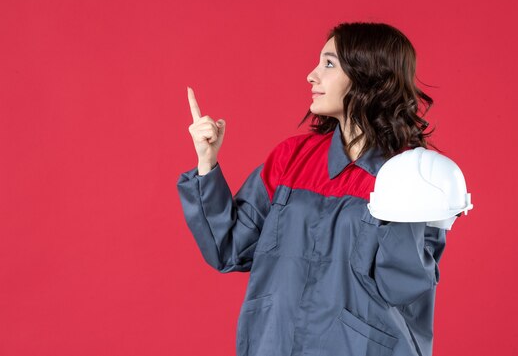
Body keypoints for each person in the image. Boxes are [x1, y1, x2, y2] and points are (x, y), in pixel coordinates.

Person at [176, 22, 447, 356]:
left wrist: (398, 206)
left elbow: (403, 287)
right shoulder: (291, 158)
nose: (311, 75)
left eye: (329, 64)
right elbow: (229, 249)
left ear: (368, 77)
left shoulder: (413, 175)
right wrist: (207, 163)